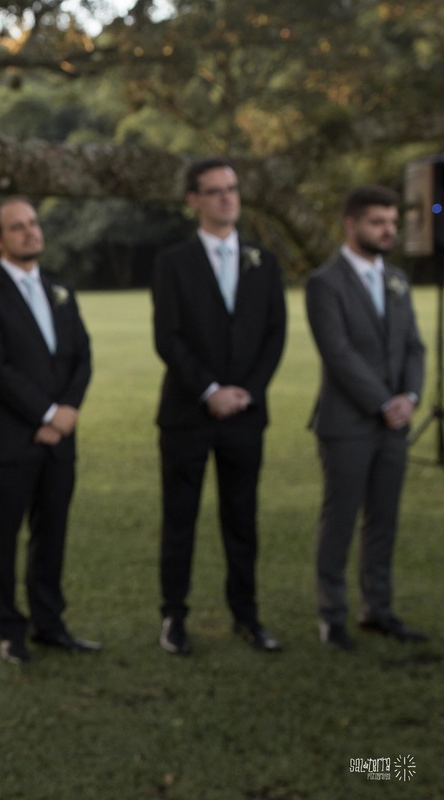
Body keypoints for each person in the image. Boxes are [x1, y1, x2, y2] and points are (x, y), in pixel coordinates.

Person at [152, 157, 287, 656]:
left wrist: (244, 392)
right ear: (194, 201)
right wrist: (210, 390)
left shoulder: (263, 262)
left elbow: (275, 335)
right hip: (187, 415)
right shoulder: (173, 262)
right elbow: (168, 337)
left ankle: (247, 616)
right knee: (179, 521)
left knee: (242, 519)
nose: (227, 198)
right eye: (214, 191)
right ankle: (174, 618)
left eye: (232, 189)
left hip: (246, 416)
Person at [0, 196, 98, 665]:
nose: (30, 232)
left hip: (62, 438)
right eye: (17, 227)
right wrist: (45, 414)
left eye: (34, 224)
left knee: (52, 533)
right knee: (3, 537)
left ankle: (49, 623)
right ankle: (9, 629)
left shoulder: (60, 287)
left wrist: (67, 412)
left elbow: (82, 354)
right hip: (9, 440)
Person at [306, 185, 428, 651]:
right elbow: (337, 353)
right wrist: (384, 402)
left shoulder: (397, 279)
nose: (389, 231)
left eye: (393, 223)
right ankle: (331, 617)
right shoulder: (325, 283)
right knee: (339, 521)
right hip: (347, 423)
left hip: (395, 423)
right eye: (379, 222)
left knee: (384, 520)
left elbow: (414, 346)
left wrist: (411, 396)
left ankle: (377, 609)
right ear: (351, 224)